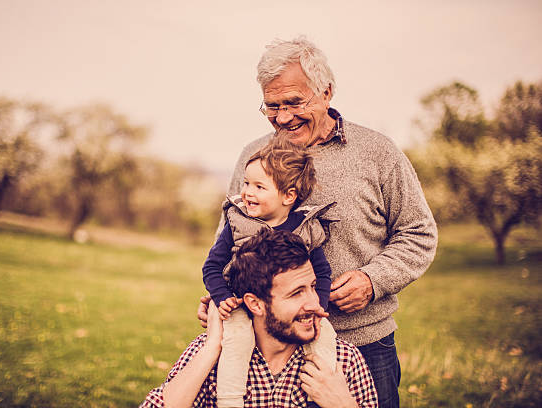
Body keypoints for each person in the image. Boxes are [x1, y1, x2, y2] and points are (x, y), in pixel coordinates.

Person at [198, 36, 438, 407]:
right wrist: (222, 294)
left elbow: (418, 233)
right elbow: (231, 240)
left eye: (294, 102)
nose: (283, 117)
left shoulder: (377, 152)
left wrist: (372, 281)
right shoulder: (253, 156)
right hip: (266, 349)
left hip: (362, 342)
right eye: (272, 106)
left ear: (326, 92)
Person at [140, 229, 378, 408]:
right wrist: (212, 346)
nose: (315, 304)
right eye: (296, 293)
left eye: (313, 287)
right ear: (255, 303)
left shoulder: (343, 361)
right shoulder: (212, 354)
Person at [202, 135, 337, 407]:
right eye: (246, 183)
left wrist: (318, 306)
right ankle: (230, 400)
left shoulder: (305, 227)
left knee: (326, 338)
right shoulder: (238, 222)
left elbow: (321, 273)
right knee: (237, 342)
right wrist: (221, 296)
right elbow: (212, 266)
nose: (247, 192)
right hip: (241, 304)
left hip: (291, 311)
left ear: (289, 196)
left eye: (259, 187)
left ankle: (321, 394)